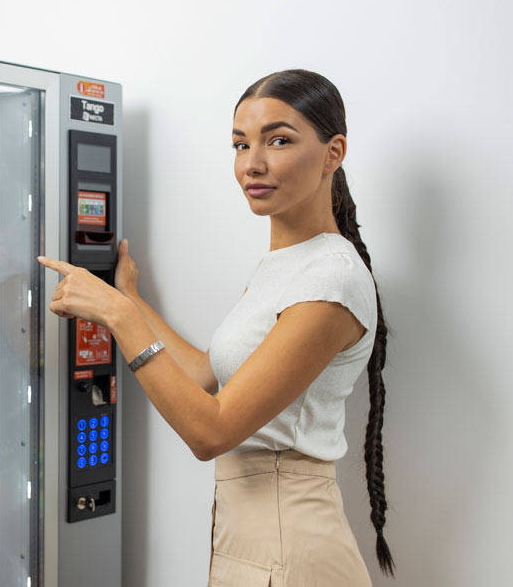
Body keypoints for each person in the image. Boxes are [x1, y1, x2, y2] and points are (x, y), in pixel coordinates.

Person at [38, 69, 394, 586]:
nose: (253, 163)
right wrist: (129, 301)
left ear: (332, 153)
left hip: (290, 543)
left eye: (279, 140)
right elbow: (206, 373)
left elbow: (212, 430)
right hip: (251, 532)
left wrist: (117, 317)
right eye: (240, 143)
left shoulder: (331, 279)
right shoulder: (290, 264)